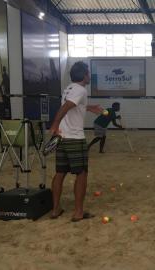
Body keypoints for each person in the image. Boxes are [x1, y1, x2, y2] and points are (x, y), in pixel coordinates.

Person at [49, 61, 102, 222]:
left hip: (63, 138)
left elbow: (72, 105)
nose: (89, 75)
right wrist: (55, 124)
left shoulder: (69, 88)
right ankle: (78, 212)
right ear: (84, 75)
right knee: (81, 173)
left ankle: (55, 209)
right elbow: (67, 106)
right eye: (88, 72)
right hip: (74, 137)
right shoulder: (81, 90)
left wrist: (88, 107)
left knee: (60, 173)